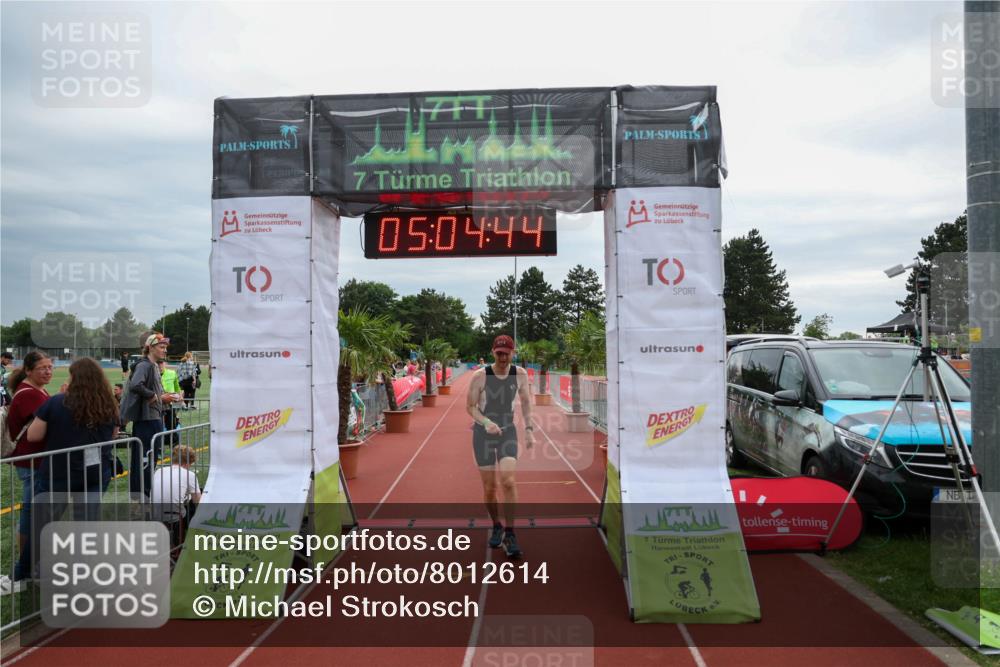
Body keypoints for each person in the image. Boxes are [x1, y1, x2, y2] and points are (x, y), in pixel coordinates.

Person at [23, 358, 118, 577]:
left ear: (74, 378)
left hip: (58, 474)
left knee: (42, 526)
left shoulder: (57, 402)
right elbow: (113, 435)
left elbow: (33, 435)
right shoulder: (109, 404)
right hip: (94, 474)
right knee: (86, 528)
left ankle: (26, 573)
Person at [465, 334, 535, 558]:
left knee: (508, 480)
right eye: (499, 353)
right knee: (490, 488)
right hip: (483, 434)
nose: (503, 357)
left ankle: (511, 532)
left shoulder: (520, 374)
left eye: (507, 353)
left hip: (507, 432)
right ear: (493, 352)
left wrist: (529, 429)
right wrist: (486, 422)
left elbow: (525, 402)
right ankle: (496, 524)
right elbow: (470, 407)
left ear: (513, 353)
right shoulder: (480, 376)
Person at [6, 351, 53, 580]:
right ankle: (26, 565)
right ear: (28, 370)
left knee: (34, 511)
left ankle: (31, 562)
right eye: (42, 368)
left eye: (50, 367)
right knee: (32, 513)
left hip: (36, 460)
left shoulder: (36, 391)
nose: (48, 371)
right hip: (31, 460)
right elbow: (48, 424)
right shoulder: (29, 394)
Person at [120, 333, 180, 499]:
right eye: (161, 347)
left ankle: (142, 494)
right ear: (150, 347)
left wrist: (168, 396)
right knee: (146, 458)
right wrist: (153, 396)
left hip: (152, 418)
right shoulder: (145, 365)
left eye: (165, 347)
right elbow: (135, 385)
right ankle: (142, 496)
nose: (165, 350)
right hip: (148, 420)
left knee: (148, 458)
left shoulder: (152, 365)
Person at [151, 444, 202, 548]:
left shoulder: (159, 471)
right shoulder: (190, 475)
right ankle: (188, 537)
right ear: (188, 463)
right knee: (196, 499)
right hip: (173, 516)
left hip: (153, 513)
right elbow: (198, 502)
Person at [158, 359, 182, 443]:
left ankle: (175, 448)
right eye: (157, 363)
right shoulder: (151, 374)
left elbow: (177, 388)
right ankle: (157, 448)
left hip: (169, 405)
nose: (159, 365)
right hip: (155, 405)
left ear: (165, 363)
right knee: (157, 428)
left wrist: (179, 398)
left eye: (161, 363)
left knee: (172, 427)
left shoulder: (172, 373)